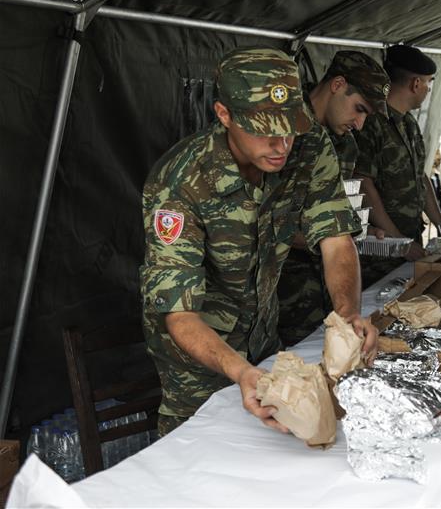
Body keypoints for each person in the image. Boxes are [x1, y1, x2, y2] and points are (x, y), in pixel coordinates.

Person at [141, 47, 378, 436]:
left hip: (265, 343)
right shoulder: (181, 182)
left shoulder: (310, 146)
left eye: (288, 126)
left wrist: (346, 315)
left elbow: (334, 238)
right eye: (264, 130)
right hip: (200, 364)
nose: (281, 144)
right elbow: (179, 315)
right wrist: (241, 373)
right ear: (224, 115)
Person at [277, 50, 391, 347]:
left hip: (323, 290)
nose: (360, 123)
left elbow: (333, 214)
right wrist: (326, 236)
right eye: (359, 109)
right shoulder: (278, 126)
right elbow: (254, 218)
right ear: (338, 84)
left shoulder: (344, 146)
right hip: (276, 292)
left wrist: (359, 233)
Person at [354, 44, 441, 284]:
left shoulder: (408, 124)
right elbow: (362, 184)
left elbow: (421, 178)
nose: (429, 90)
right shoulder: (370, 122)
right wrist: (397, 240)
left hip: (409, 243)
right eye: (429, 83)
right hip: (381, 249)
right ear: (416, 83)